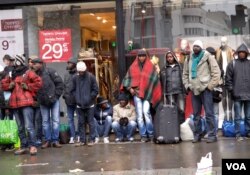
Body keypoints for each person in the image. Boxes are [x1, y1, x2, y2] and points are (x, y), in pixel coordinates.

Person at [1, 54, 42, 155]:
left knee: (29, 126)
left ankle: (32, 146)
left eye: (17, 61)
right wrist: (9, 85)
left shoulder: (28, 72)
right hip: (15, 104)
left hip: (26, 103)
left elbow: (39, 83)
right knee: (20, 127)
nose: (16, 63)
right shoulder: (11, 73)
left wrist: (28, 86)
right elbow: (3, 84)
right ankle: (24, 146)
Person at [182, 40, 221, 143]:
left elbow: (216, 73)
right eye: (194, 46)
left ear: (201, 47)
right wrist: (187, 86)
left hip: (206, 90)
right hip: (194, 90)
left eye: (197, 46)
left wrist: (210, 86)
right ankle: (197, 135)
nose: (195, 48)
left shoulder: (208, 56)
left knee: (209, 113)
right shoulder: (189, 58)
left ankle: (212, 135)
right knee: (196, 115)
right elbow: (185, 74)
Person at [121, 49, 162, 142]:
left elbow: (155, 80)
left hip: (147, 94)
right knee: (139, 115)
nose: (142, 57)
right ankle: (143, 135)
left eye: (143, 55)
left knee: (146, 113)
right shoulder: (133, 66)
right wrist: (130, 89)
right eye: (140, 56)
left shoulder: (151, 66)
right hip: (136, 94)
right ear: (137, 57)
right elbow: (126, 80)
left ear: (146, 56)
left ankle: (151, 134)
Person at [31, 58, 64, 149]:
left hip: (53, 100)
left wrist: (56, 96)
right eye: (32, 64)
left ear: (40, 64)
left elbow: (60, 84)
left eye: (35, 63)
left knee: (55, 121)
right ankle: (47, 140)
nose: (33, 65)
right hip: (42, 101)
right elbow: (33, 89)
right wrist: (37, 99)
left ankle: (55, 140)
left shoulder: (50, 71)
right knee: (45, 122)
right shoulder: (33, 75)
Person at [225, 43, 250, 141]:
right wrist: (232, 90)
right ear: (238, 53)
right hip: (237, 95)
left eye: (244, 52)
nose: (242, 54)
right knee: (238, 117)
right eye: (241, 52)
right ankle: (238, 134)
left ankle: (248, 132)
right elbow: (228, 78)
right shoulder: (232, 64)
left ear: (246, 53)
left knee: (248, 117)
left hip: (248, 94)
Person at [71, 61, 99, 146]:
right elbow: (72, 90)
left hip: (90, 104)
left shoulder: (91, 77)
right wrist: (77, 98)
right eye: (80, 71)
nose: (81, 73)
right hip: (79, 104)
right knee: (81, 122)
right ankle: (82, 140)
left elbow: (96, 90)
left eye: (82, 71)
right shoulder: (75, 78)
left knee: (91, 122)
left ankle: (92, 139)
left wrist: (90, 98)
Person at [160, 51, 185, 124]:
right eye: (168, 57)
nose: (169, 58)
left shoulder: (180, 67)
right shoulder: (164, 69)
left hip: (180, 91)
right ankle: (174, 129)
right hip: (169, 92)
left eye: (171, 57)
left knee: (181, 109)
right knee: (172, 111)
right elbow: (161, 81)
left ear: (174, 57)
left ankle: (182, 127)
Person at [216, 36, 234, 122]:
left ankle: (229, 114)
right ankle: (225, 115)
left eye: (224, 42)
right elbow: (216, 64)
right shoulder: (218, 51)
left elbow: (233, 63)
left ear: (227, 42)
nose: (222, 44)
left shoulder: (230, 51)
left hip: (229, 76)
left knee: (230, 96)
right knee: (223, 96)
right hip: (221, 76)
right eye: (221, 42)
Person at [27, 56, 43, 146]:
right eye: (29, 61)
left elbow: (41, 86)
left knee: (38, 120)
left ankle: (39, 138)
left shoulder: (40, 73)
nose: (31, 63)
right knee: (31, 122)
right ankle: (32, 140)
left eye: (32, 62)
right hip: (30, 101)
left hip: (39, 100)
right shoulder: (27, 73)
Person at [63, 58, 78, 144]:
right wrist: (65, 95)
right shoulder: (66, 75)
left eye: (70, 63)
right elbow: (64, 86)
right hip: (68, 100)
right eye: (68, 63)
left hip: (77, 100)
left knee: (80, 119)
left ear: (74, 64)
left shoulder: (79, 73)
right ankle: (73, 136)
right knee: (70, 119)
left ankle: (79, 135)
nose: (68, 65)